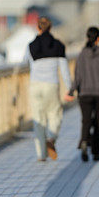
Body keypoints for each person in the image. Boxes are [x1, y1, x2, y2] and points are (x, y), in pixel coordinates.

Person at [23, 16, 71, 162]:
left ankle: (41, 154)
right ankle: (51, 138)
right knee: (55, 114)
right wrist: (70, 89)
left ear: (38, 28)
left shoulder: (31, 45)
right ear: (50, 28)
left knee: (38, 119)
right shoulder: (59, 45)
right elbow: (64, 71)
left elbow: (24, 62)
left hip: (35, 85)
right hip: (51, 85)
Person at [64, 26, 99, 162]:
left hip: (85, 93)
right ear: (98, 38)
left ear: (87, 38)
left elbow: (78, 77)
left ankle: (85, 141)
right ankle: (96, 153)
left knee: (86, 120)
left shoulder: (81, 55)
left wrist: (70, 92)